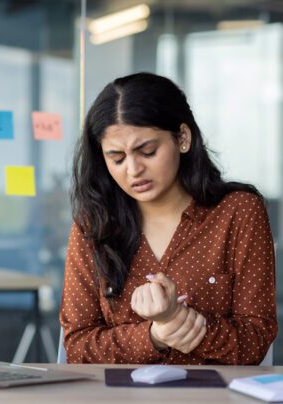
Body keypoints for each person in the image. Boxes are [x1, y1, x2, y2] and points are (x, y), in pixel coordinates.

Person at [59, 72, 278, 365]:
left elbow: (255, 340)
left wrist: (177, 319)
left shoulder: (238, 213)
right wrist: (154, 336)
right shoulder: (94, 224)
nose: (133, 170)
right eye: (117, 158)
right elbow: (78, 346)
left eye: (147, 151)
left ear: (182, 138)